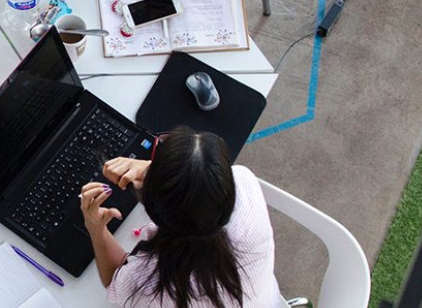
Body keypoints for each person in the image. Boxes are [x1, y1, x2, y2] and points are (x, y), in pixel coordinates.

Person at [80, 127, 280, 307]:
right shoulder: (243, 183)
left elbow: (115, 282)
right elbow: (202, 188)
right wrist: (156, 172)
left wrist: (96, 229)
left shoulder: (147, 290)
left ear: (153, 210)